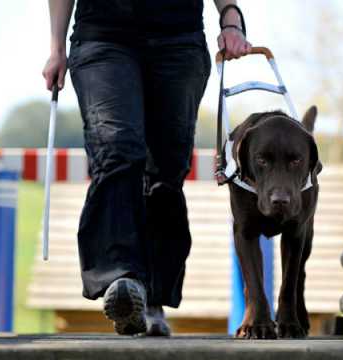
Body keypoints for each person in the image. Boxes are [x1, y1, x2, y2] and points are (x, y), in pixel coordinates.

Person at [43, 0, 251, 336]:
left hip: (178, 39)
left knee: (165, 171)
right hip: (103, 36)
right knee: (117, 149)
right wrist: (56, 47)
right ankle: (121, 279)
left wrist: (230, 16)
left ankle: (150, 299)